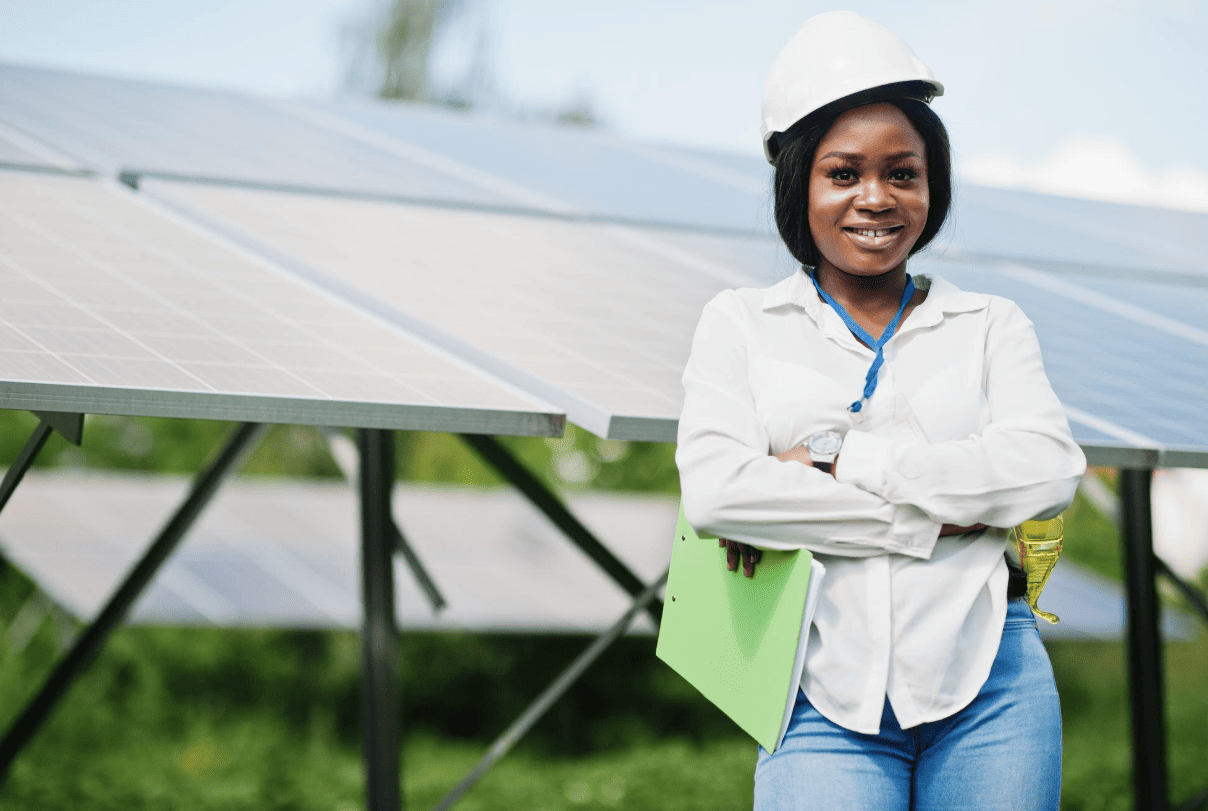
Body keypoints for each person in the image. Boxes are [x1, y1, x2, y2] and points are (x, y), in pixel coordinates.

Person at [674, 12, 1087, 811]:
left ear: (933, 184)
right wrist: (936, 520)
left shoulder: (992, 323)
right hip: (819, 691)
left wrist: (837, 462)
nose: (877, 197)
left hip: (995, 685)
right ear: (800, 182)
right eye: (843, 173)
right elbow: (720, 494)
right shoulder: (740, 323)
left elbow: (1047, 472)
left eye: (903, 172)